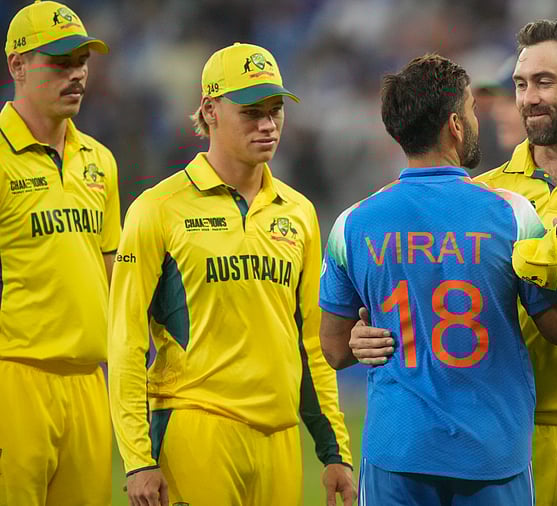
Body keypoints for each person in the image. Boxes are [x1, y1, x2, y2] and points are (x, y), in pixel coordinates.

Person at [349, 19, 557, 506]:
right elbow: (428, 291)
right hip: (502, 431)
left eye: (544, 82)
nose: (528, 97)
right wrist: (365, 334)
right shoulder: (488, 196)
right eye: (521, 83)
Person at [318, 53, 557, 505]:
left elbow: (332, 349)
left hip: (397, 449)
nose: (475, 118)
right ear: (454, 124)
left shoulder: (353, 223)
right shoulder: (511, 214)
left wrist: (358, 338)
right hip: (491, 451)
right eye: (470, 108)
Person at [108, 43, 356, 506]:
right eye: (252, 112)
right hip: (196, 427)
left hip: (280, 440)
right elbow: (124, 340)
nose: (268, 124)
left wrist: (334, 451)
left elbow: (311, 342)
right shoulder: (157, 210)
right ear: (210, 110)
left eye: (276, 110)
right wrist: (139, 459)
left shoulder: (299, 213)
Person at [0, 2, 118, 505]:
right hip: (15, 378)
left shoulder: (100, 161)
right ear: (18, 66)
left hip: (90, 383)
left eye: (82, 61)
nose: (77, 74)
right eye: (61, 61)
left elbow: (112, 272)